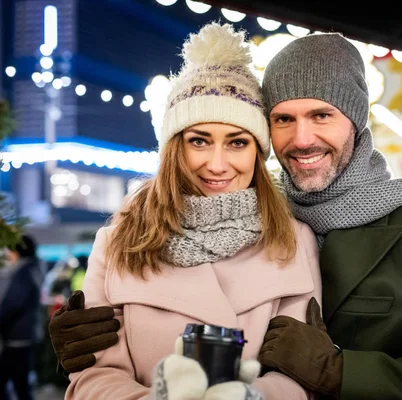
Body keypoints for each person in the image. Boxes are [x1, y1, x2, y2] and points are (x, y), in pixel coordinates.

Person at [49, 31, 402, 400]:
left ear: (356, 122)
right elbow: (101, 368)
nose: (301, 140)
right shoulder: (266, 209)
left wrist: (339, 372)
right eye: (283, 118)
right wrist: (76, 349)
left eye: (322, 115)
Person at [55, 23, 321, 400]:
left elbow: (301, 372)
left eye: (237, 143)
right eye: (199, 141)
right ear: (174, 150)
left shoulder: (294, 240)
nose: (217, 164)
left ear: (257, 153)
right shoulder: (118, 242)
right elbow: (95, 377)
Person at [0, 234, 44, 400]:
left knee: (17, 384)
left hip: (18, 336)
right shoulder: (32, 269)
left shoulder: (23, 273)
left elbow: (12, 304)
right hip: (24, 334)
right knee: (21, 383)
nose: (8, 254)